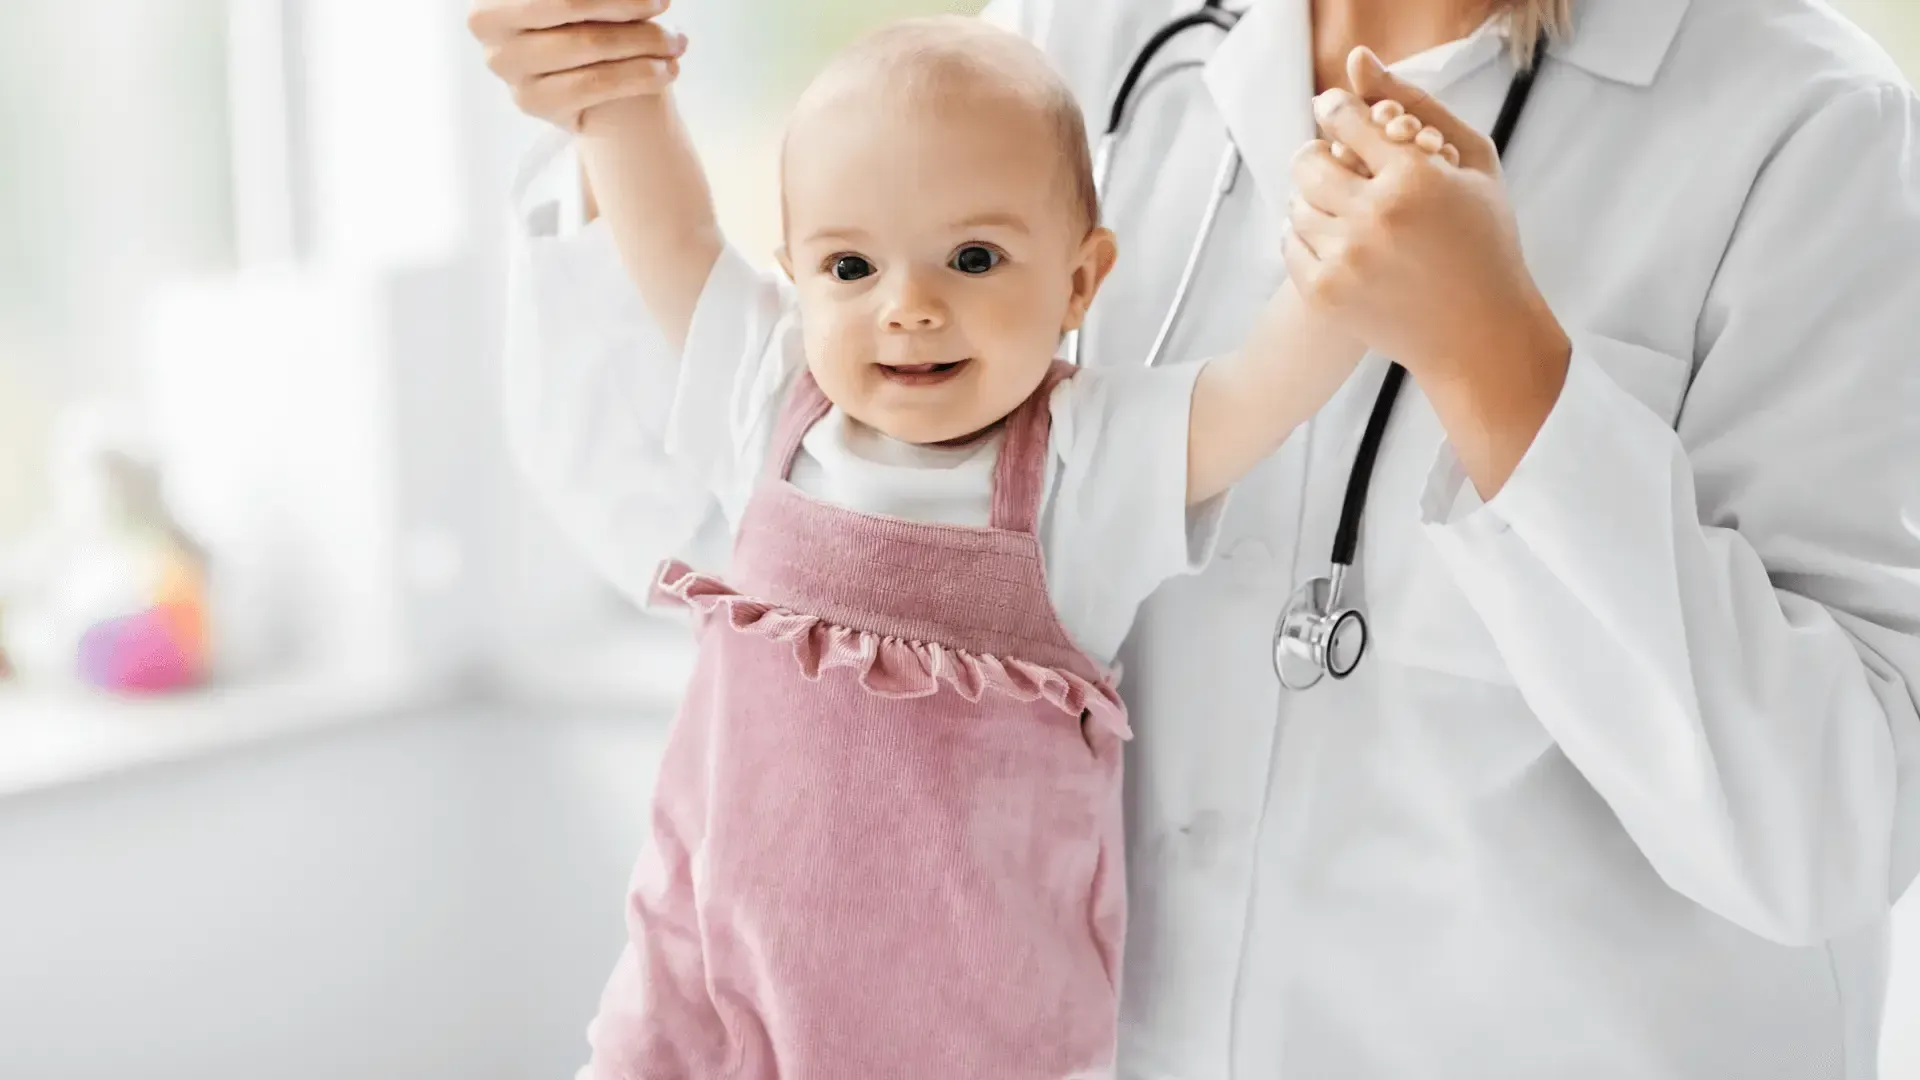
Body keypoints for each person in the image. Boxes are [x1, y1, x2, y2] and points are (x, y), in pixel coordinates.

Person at [471, 0, 1920, 1075]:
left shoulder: (1809, 131)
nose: (907, 298)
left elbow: (1825, 839)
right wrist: (608, 101)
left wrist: (1501, 368)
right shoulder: (1078, 40)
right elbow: (708, 520)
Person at [549, 13, 1455, 1075]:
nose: (910, 307)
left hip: (968, 1041)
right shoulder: (770, 400)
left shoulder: (1086, 465)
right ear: (793, 270)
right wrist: (612, 72)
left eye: (972, 259)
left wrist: (1369, 233)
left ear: (1079, 281)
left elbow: (1260, 390)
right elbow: (662, 231)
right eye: (849, 267)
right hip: (714, 1001)